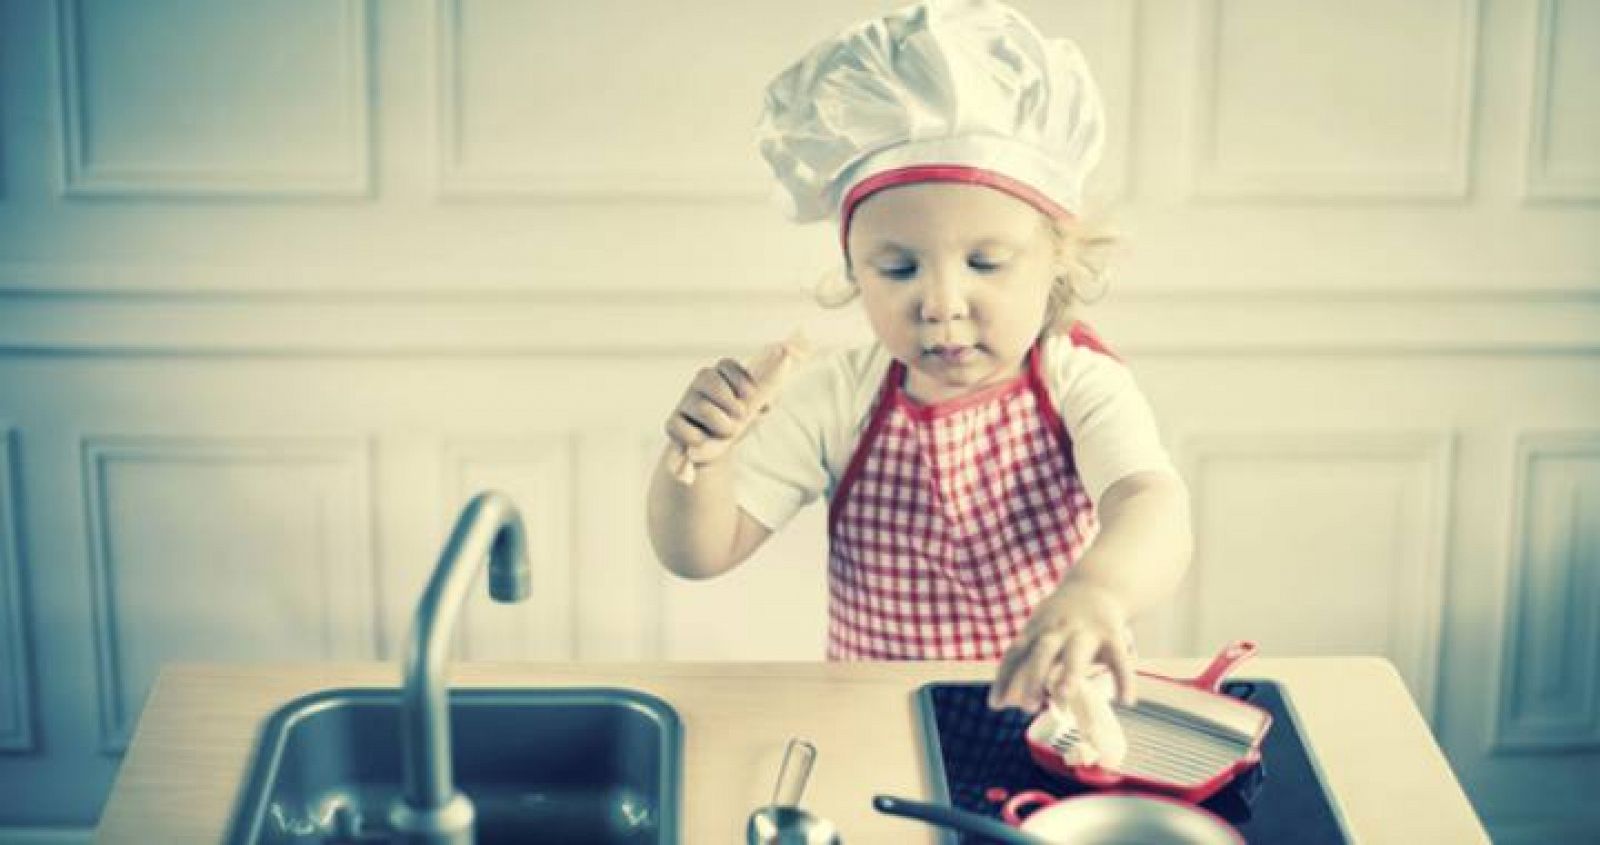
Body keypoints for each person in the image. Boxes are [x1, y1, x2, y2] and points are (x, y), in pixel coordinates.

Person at [646, 0, 1191, 715]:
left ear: (1056, 261)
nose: (940, 302)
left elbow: (1151, 503)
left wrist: (1097, 591)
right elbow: (700, 551)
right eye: (898, 270)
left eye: (986, 262)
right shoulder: (839, 397)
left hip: (1055, 724)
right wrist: (700, 458)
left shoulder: (1078, 382)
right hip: (878, 721)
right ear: (853, 270)